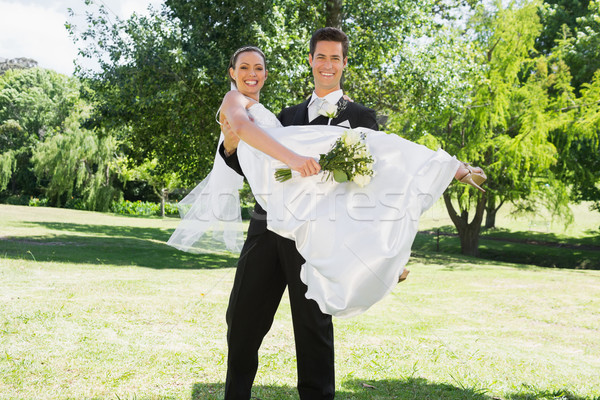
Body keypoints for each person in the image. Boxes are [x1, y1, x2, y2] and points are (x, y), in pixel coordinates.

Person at [168, 28, 486, 400]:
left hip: (321, 239)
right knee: (242, 323)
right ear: (311, 61)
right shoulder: (286, 114)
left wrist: (386, 255)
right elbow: (254, 169)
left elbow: (383, 182)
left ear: (344, 63)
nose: (327, 65)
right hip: (267, 228)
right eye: (321, 57)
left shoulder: (362, 116)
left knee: (313, 331)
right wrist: (234, 145)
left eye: (335, 58)